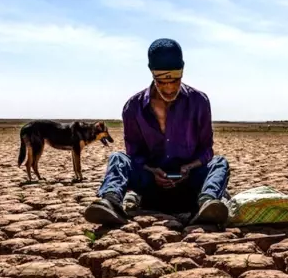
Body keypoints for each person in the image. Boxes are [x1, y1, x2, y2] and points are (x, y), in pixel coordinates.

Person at [85, 38, 230, 227]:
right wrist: (153, 171)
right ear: (152, 73)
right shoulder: (133, 107)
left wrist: (189, 167)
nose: (169, 88)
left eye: (175, 81)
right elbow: (134, 154)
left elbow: (206, 150)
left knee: (220, 163)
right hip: (151, 186)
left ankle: (207, 204)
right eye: (161, 82)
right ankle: (110, 202)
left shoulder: (199, 102)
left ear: (183, 71)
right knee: (118, 158)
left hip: (189, 187)